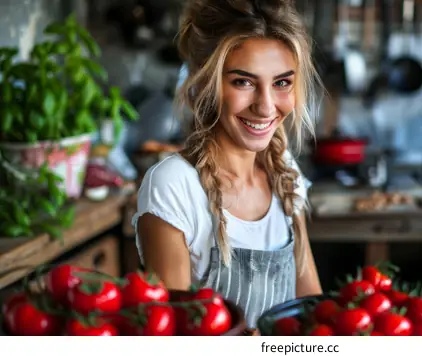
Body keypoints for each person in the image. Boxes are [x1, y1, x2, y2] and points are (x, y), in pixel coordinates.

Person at [131, 0, 324, 328]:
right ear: (206, 84)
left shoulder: (284, 170)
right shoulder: (174, 185)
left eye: (281, 83)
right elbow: (175, 334)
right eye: (243, 82)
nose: (265, 107)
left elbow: (311, 310)